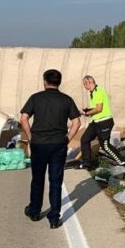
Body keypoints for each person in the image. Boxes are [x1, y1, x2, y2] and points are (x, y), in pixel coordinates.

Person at [20, 69, 81, 229]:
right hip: (58, 144)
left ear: (44, 81)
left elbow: (24, 118)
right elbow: (77, 122)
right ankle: (54, 218)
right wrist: (67, 138)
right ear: (59, 82)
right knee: (55, 181)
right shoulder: (66, 100)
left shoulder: (36, 98)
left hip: (39, 143)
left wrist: (30, 135)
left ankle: (34, 211)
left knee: (37, 179)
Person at [78, 76, 125, 169]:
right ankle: (87, 163)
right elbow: (95, 108)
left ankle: (122, 161)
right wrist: (87, 110)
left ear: (88, 83)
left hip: (105, 122)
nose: (84, 87)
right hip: (96, 122)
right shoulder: (92, 93)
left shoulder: (98, 91)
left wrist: (85, 113)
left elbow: (99, 108)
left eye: (84, 84)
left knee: (105, 145)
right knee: (84, 139)